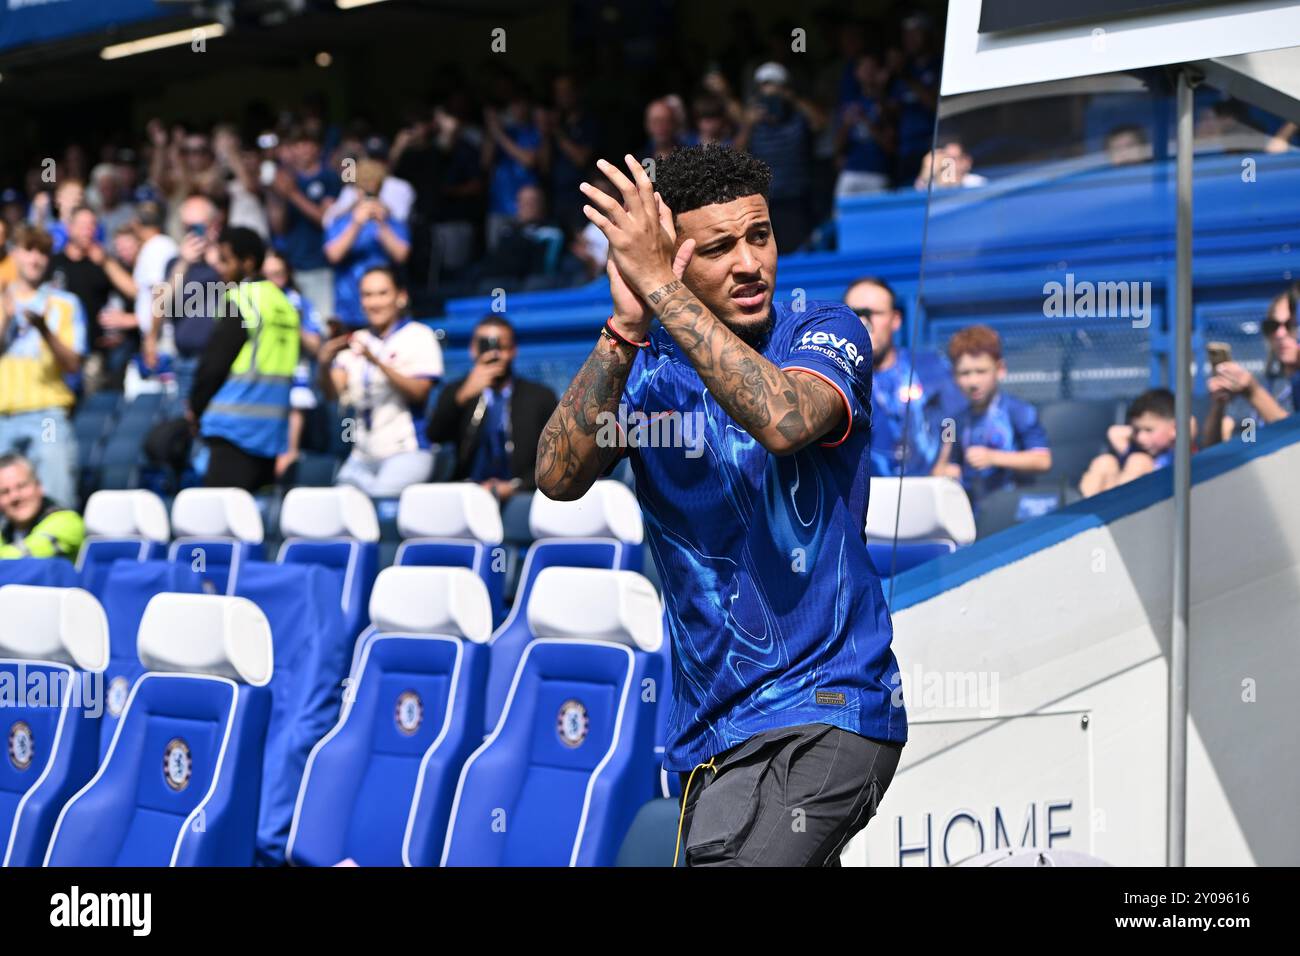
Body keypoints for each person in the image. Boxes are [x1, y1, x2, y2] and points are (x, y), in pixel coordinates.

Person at [540, 145, 906, 866]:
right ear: (673, 257)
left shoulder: (823, 331)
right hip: (712, 737)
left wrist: (658, 289)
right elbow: (556, 475)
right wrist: (623, 330)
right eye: (718, 247)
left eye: (759, 236)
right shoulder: (645, 378)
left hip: (829, 710)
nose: (749, 262)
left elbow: (784, 421)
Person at [188, 227, 300, 491]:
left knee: (219, 524)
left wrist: (195, 406)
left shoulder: (241, 300)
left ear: (247, 261)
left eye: (226, 260)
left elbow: (213, 365)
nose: (220, 269)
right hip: (270, 432)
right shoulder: (284, 304)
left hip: (232, 429)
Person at [320, 267, 442, 497]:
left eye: (382, 293)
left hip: (407, 450)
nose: (374, 302)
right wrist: (324, 365)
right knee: (337, 510)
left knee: (377, 506)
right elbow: (332, 394)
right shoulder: (357, 339)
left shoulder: (419, 335)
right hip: (361, 455)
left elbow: (419, 393)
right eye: (367, 295)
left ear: (401, 296)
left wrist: (376, 361)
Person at [427, 315, 556, 504]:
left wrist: (517, 486)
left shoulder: (539, 396)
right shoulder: (456, 392)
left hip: (524, 494)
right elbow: (435, 435)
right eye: (485, 346)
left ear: (513, 350)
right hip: (467, 492)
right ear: (472, 349)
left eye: (501, 347)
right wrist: (462, 397)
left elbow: (554, 455)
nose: (493, 354)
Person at [0, 226, 85, 507]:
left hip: (46, 415)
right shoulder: (2, 299)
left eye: (42, 253)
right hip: (2, 417)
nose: (35, 259)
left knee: (56, 498)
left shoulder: (65, 303)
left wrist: (44, 330)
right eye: (28, 250)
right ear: (14, 254)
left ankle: (55, 551)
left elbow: (73, 364)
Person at [932, 324, 1052, 506]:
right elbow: (946, 468)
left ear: (1000, 369)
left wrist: (993, 457)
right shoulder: (954, 421)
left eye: (981, 371)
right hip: (973, 512)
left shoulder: (1018, 411)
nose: (973, 382)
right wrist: (946, 466)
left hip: (1014, 508)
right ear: (954, 376)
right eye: (964, 373)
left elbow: (1043, 460)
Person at [844, 277, 941, 475]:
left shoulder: (929, 367)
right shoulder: (834, 379)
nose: (864, 323)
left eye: (874, 314)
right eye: (856, 314)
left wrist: (948, 457)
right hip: (863, 500)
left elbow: (955, 421)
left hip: (924, 493)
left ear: (895, 320)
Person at [735, 62, 825, 251]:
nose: (770, 94)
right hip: (765, 201)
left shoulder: (798, 118)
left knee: (799, 250)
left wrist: (792, 99)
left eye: (776, 87)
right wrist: (748, 126)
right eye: (764, 88)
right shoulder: (753, 123)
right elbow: (736, 155)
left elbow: (820, 123)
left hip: (797, 197)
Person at [1202, 285, 1298, 446]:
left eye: (1290, 325)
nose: (1280, 334)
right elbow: (1212, 448)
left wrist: (1253, 393)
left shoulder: (1253, 387)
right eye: (1272, 326)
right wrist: (1219, 405)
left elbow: (1294, 440)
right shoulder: (1261, 382)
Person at [323, 159, 411, 329]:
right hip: (349, 308)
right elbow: (333, 255)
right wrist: (356, 224)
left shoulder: (391, 220)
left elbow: (402, 255)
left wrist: (382, 224)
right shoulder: (340, 221)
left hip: (388, 308)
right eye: (364, 188)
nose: (368, 195)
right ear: (356, 190)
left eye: (374, 189)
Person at [268, 127, 341, 318]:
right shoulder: (286, 180)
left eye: (306, 143)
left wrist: (292, 194)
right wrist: (279, 196)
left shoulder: (329, 178)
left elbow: (325, 219)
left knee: (323, 321)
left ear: (317, 147)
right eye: (296, 145)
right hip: (291, 267)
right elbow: (278, 227)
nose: (301, 149)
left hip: (320, 265)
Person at [262, 250, 323, 478]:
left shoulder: (299, 303)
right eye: (268, 275)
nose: (274, 280)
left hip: (293, 374)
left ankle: (289, 459)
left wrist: (290, 323)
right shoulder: (249, 301)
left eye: (278, 273)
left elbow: (317, 346)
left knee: (297, 400)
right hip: (261, 378)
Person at [1080, 388, 1179, 498]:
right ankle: (1082, 510)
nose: (1141, 437)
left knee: (1139, 460)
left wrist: (1175, 429)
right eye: (1137, 430)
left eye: (1148, 430)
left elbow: (1190, 425)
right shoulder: (1133, 448)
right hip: (1109, 503)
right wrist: (1136, 432)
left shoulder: (1178, 449)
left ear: (1174, 428)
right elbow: (1113, 432)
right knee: (1105, 461)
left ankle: (1117, 504)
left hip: (1158, 501)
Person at [0, 453, 84, 560]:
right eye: (5, 492)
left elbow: (26, 555)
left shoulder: (68, 521)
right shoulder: (3, 529)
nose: (15, 496)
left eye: (22, 486)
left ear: (39, 486)